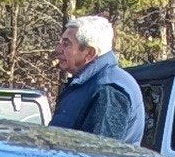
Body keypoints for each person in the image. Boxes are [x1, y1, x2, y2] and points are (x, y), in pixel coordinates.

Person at [46, 12, 144, 144]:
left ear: (90, 53)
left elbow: (100, 154)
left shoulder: (109, 90)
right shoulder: (86, 84)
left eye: (66, 44)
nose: (58, 49)